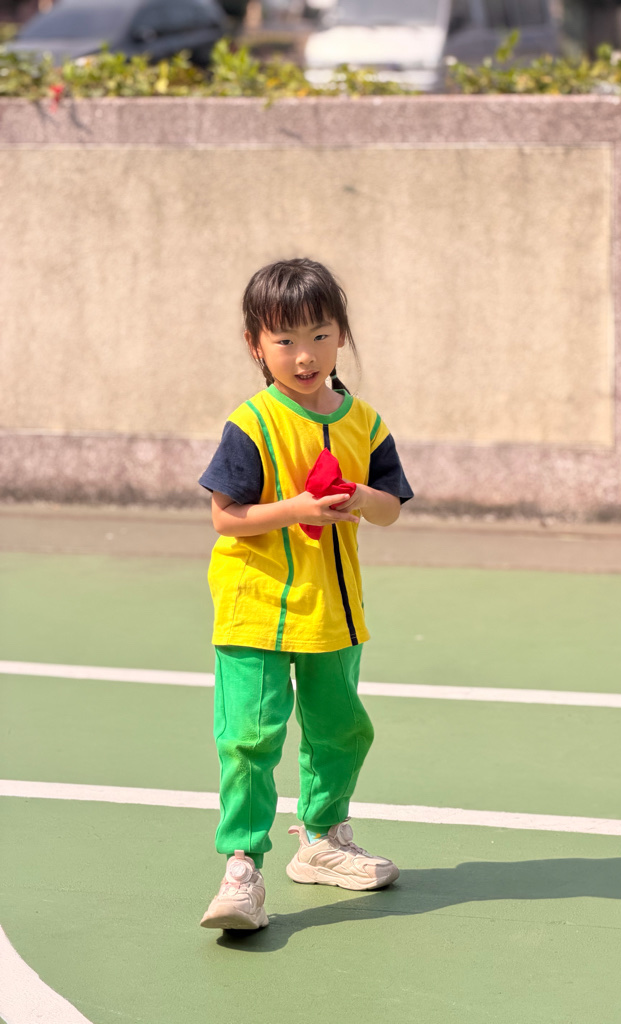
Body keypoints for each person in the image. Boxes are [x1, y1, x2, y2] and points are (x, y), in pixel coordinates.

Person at [198, 258, 414, 931]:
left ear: (341, 334)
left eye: (320, 336)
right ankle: (241, 869)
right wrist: (296, 509)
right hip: (256, 607)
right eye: (285, 340)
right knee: (249, 738)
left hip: (333, 611)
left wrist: (361, 496)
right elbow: (225, 517)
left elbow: (391, 510)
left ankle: (321, 839)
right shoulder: (253, 422)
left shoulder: (365, 423)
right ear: (255, 345)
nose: (304, 355)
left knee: (342, 730)